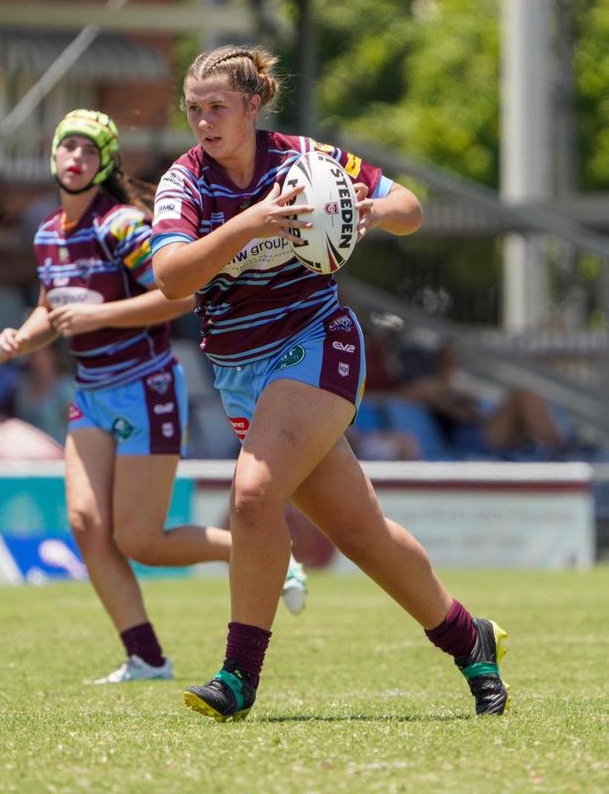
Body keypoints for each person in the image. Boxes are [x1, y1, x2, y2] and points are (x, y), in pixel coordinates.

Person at [151, 45, 509, 721]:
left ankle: (237, 676)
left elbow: (408, 204)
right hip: (238, 372)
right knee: (362, 532)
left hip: (318, 343)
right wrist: (248, 225)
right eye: (193, 109)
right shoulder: (186, 183)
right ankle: (472, 639)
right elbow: (172, 275)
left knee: (254, 494)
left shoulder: (305, 160)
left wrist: (375, 212)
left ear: (254, 106)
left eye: (217, 107)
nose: (203, 121)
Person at [0, 108, 307, 684]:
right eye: (68, 148)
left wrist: (98, 316)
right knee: (87, 523)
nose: (76, 159)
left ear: (104, 161)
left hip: (145, 387)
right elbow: (51, 306)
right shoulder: (46, 233)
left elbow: (178, 297)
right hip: (91, 393)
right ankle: (146, 657)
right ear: (53, 156)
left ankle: (268, 556)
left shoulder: (120, 226)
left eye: (89, 151)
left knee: (141, 540)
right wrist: (21, 335)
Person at [397, 340, 568, 459]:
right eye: (449, 356)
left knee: (528, 396)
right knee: (525, 396)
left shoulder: (457, 384)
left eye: (455, 356)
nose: (454, 360)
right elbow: (409, 394)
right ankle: (560, 450)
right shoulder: (428, 386)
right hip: (468, 439)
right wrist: (453, 403)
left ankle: (559, 447)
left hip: (478, 427)